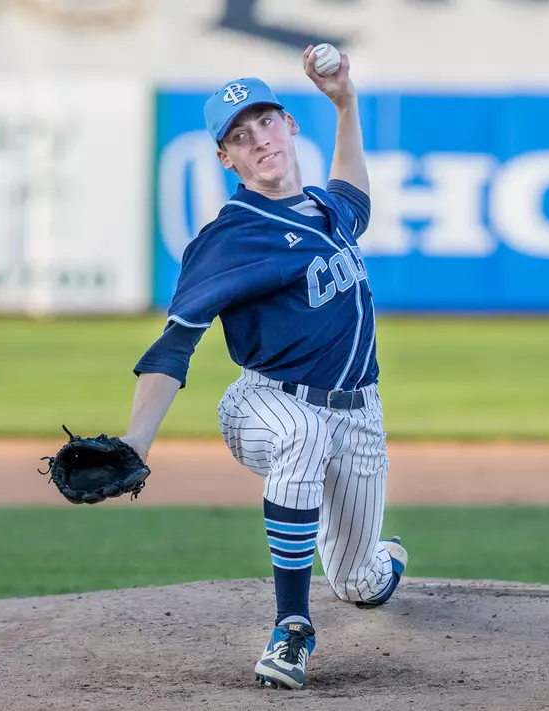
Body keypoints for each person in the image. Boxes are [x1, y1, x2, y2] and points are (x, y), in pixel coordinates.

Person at [121, 45, 408, 691]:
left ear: (288, 125)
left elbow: (354, 196)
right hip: (266, 403)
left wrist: (345, 102)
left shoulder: (325, 211)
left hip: (360, 415)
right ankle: (292, 626)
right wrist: (139, 438)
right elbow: (175, 342)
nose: (258, 140)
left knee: (360, 583)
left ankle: (382, 560)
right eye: (240, 137)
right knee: (300, 436)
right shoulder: (232, 235)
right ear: (227, 159)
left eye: (265, 122)